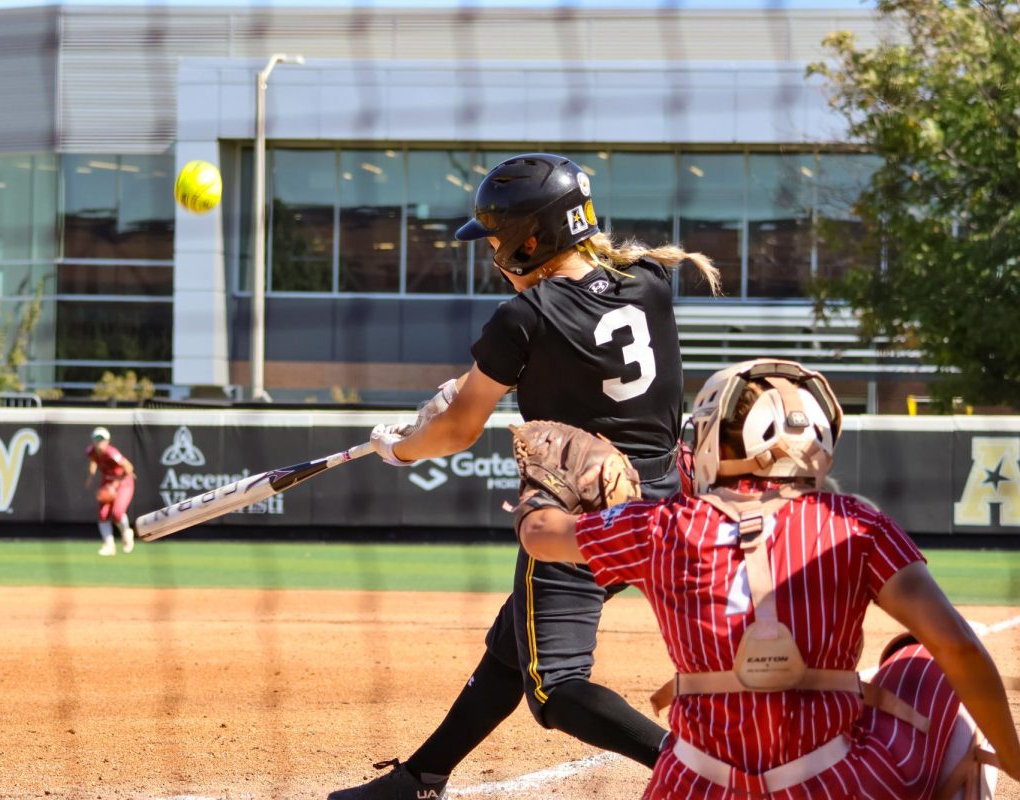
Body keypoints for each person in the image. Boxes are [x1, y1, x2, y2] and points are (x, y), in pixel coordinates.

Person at [328, 152, 722, 799]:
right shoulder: (649, 279)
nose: (490, 252)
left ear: (530, 240)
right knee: (518, 639)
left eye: (497, 238)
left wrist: (402, 447)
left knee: (557, 690)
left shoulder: (526, 317)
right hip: (662, 501)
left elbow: (457, 431)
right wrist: (468, 385)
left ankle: (696, 770)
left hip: (580, 516)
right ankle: (422, 777)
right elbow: (579, 363)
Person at [515, 358, 1020, 798]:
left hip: (692, 785)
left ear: (713, 437)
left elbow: (540, 534)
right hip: (834, 786)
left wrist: (540, 493)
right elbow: (961, 650)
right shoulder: (858, 524)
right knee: (925, 661)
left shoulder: (663, 524)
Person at [85, 426, 136, 556]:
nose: (98, 441)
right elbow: (92, 461)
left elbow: (129, 467)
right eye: (96, 439)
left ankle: (126, 533)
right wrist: (91, 476)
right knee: (102, 514)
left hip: (123, 481)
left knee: (117, 513)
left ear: (107, 440)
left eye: (101, 439)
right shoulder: (91, 451)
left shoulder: (111, 453)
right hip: (107, 481)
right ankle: (109, 545)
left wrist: (116, 483)